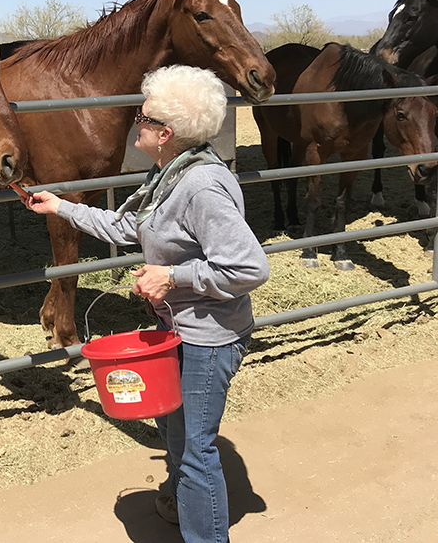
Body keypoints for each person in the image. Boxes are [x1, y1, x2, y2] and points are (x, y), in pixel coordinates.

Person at [22, 64, 268, 543]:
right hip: (178, 329)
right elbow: (124, 227)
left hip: (209, 337)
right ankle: (182, 503)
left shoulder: (202, 187)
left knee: (196, 448)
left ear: (167, 133)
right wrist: (61, 206)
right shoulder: (168, 175)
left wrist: (172, 275)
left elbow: (249, 268)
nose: (138, 120)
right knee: (176, 433)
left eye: (146, 115)